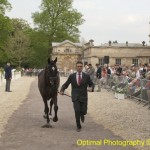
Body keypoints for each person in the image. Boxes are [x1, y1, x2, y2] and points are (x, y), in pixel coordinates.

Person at [60, 61, 94, 132]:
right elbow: (66, 84)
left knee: (84, 111)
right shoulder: (72, 76)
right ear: (76, 67)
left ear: (82, 67)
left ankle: (82, 114)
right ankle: (78, 126)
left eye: (80, 66)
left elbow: (91, 84)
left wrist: (91, 88)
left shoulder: (86, 76)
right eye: (78, 66)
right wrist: (62, 90)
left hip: (84, 96)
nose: (79, 68)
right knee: (77, 110)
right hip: (75, 96)